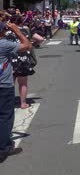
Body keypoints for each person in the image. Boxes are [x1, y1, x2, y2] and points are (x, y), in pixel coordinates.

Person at [0, 21, 32, 163]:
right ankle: (4, 148)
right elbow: (27, 45)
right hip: (3, 86)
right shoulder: (4, 44)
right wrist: (17, 30)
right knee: (5, 117)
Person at [6, 15, 37, 109]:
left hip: (10, 60)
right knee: (23, 83)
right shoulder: (25, 30)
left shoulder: (5, 32)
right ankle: (23, 103)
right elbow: (39, 39)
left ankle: (8, 104)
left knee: (9, 83)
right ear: (21, 21)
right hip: (23, 60)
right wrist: (32, 45)